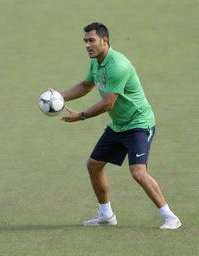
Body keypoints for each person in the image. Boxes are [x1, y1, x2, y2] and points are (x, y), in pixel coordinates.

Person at [60, 22, 181, 229]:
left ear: (104, 40)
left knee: (137, 172)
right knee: (94, 165)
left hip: (139, 124)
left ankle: (170, 216)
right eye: (85, 41)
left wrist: (81, 116)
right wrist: (59, 97)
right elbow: (85, 85)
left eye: (91, 40)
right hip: (119, 125)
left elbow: (108, 103)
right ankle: (106, 215)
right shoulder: (96, 62)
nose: (87, 45)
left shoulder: (118, 66)